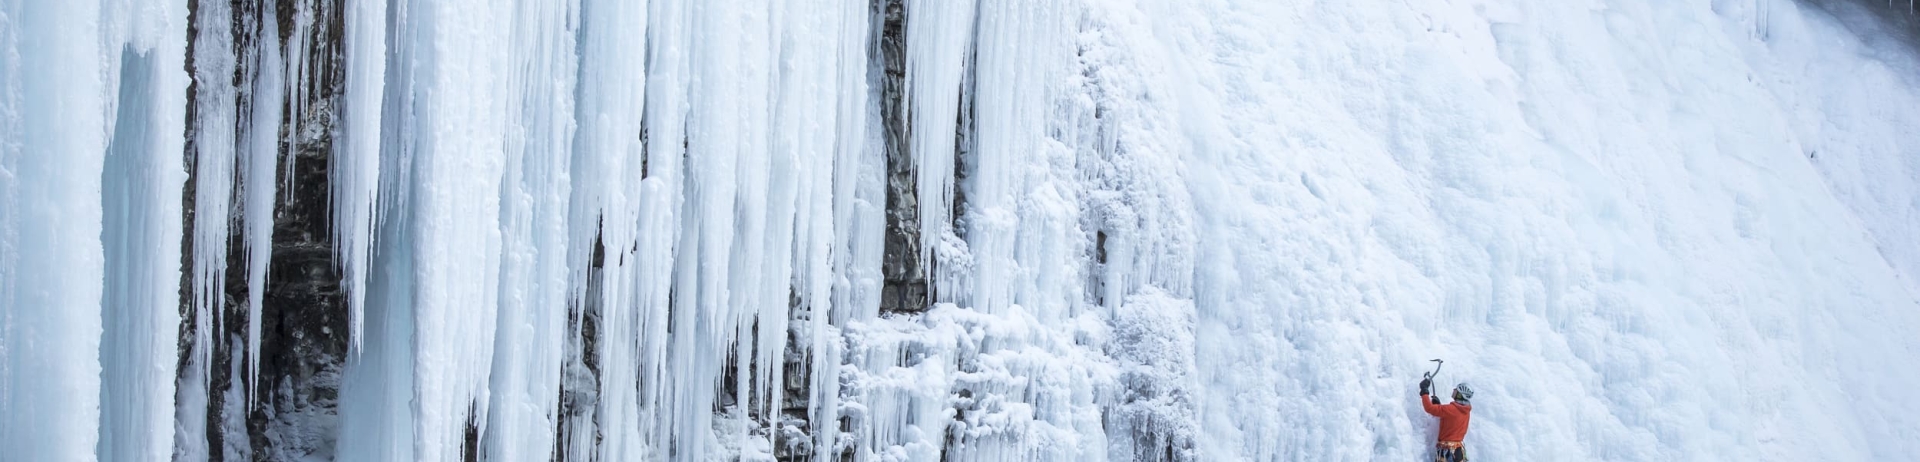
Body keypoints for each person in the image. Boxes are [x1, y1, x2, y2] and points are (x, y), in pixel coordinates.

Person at [1419, 377, 1473, 462]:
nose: (1454, 390)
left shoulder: (1450, 409)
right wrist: (1439, 406)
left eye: (1456, 390)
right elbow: (1452, 419)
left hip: (1447, 452)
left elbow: (1429, 408)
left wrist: (1424, 392)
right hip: (1459, 451)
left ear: (1459, 395)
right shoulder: (1466, 410)